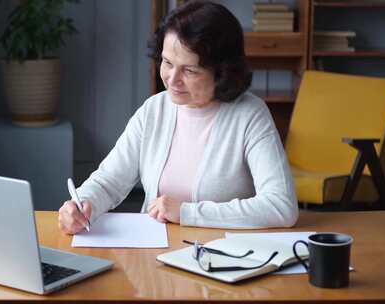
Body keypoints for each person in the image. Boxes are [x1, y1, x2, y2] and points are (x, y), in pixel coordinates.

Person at [58, 0, 298, 235]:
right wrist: (83, 204)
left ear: (222, 73)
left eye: (189, 70)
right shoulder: (154, 110)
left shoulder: (250, 115)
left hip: (220, 260)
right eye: (167, 62)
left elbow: (281, 206)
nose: (172, 79)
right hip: (154, 255)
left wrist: (187, 213)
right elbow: (109, 181)